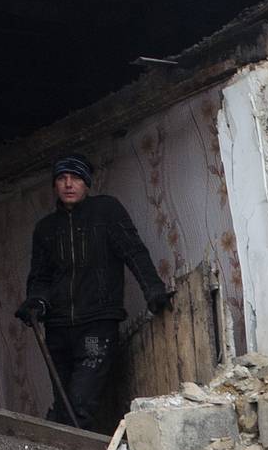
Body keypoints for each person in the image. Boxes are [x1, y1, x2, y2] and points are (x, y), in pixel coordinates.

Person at [15, 154, 170, 430]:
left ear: (86, 183)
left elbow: (133, 251)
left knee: (79, 402)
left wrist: (153, 290)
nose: (68, 184)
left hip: (95, 328)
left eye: (75, 178)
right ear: (55, 185)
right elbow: (39, 277)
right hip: (58, 331)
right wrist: (36, 302)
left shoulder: (106, 212)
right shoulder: (46, 229)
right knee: (63, 405)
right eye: (62, 178)